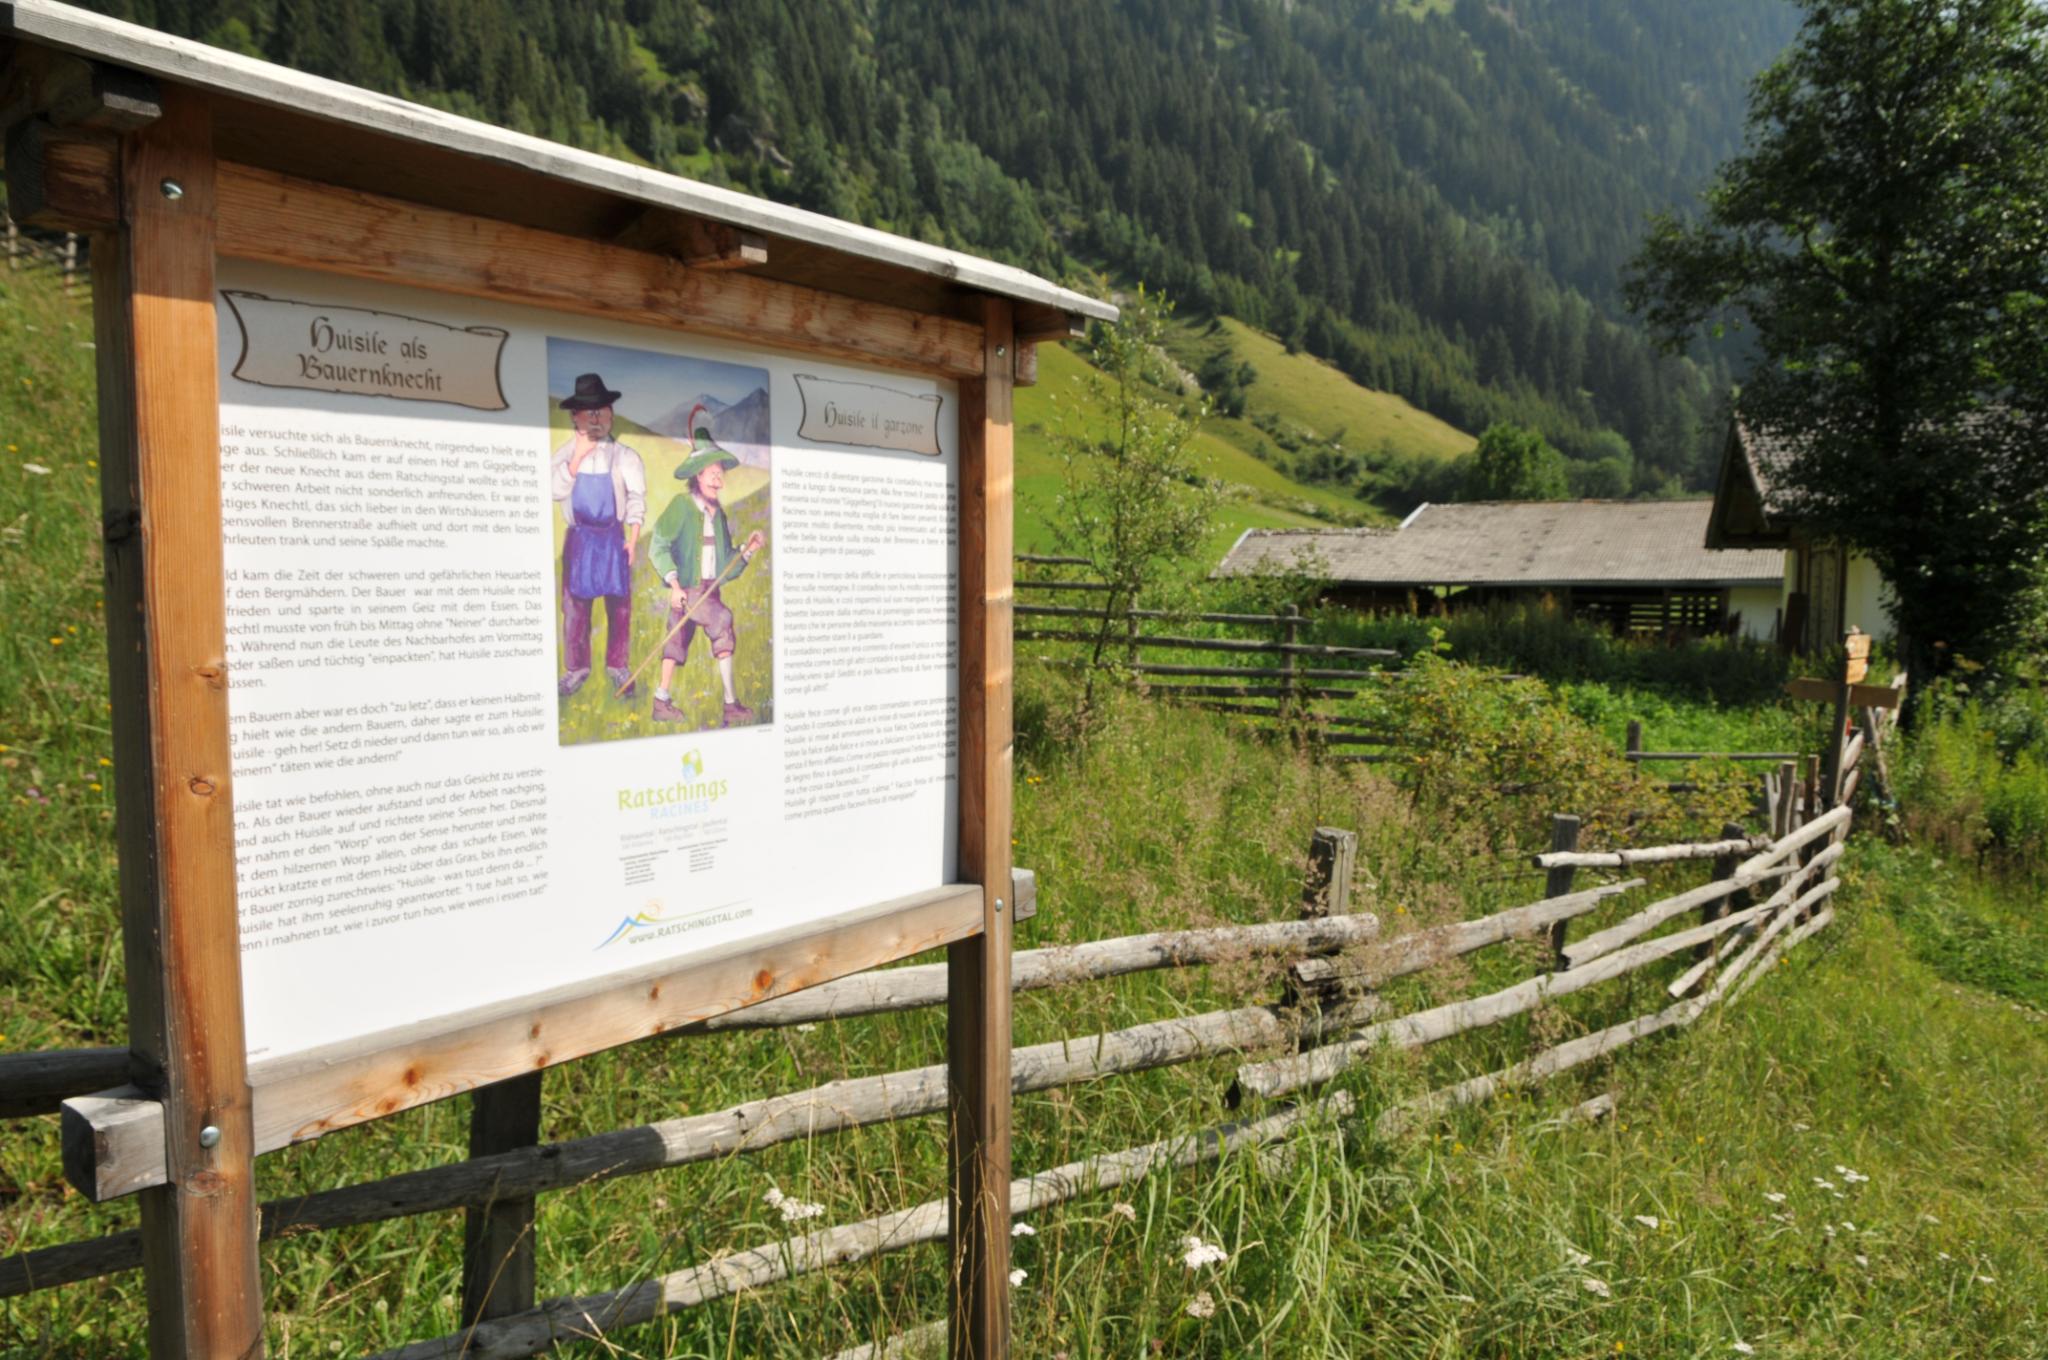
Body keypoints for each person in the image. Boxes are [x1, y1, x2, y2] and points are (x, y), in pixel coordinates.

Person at [649, 405, 765, 726]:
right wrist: (673, 586)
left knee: (677, 638)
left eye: (720, 472)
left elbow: (727, 564)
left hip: (708, 592)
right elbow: (657, 543)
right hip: (686, 589)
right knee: (718, 623)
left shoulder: (720, 515)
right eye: (712, 472)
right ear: (697, 476)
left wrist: (746, 551)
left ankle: (661, 701)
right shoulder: (681, 507)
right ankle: (729, 705)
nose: (719, 479)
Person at [550, 373, 647, 698]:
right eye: (588, 413)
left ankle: (617, 666)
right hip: (580, 539)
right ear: (574, 417)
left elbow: (636, 498)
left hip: (613, 538)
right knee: (575, 606)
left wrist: (632, 540)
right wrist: (577, 457)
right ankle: (576, 669)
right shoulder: (564, 456)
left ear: (611, 415)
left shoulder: (625, 456)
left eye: (601, 412)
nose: (596, 419)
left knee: (619, 606)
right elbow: (553, 489)